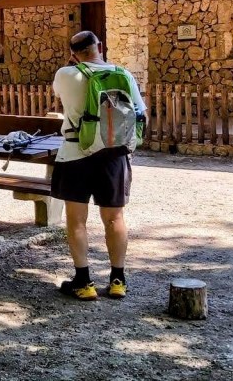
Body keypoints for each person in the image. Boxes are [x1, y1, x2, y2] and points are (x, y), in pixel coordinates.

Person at [51, 31, 145, 301]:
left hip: (75, 153)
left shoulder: (65, 74)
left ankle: (84, 282)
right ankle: (118, 280)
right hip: (113, 154)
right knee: (115, 218)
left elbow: (61, 100)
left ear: (73, 54)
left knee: (76, 220)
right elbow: (140, 112)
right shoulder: (124, 75)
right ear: (99, 47)